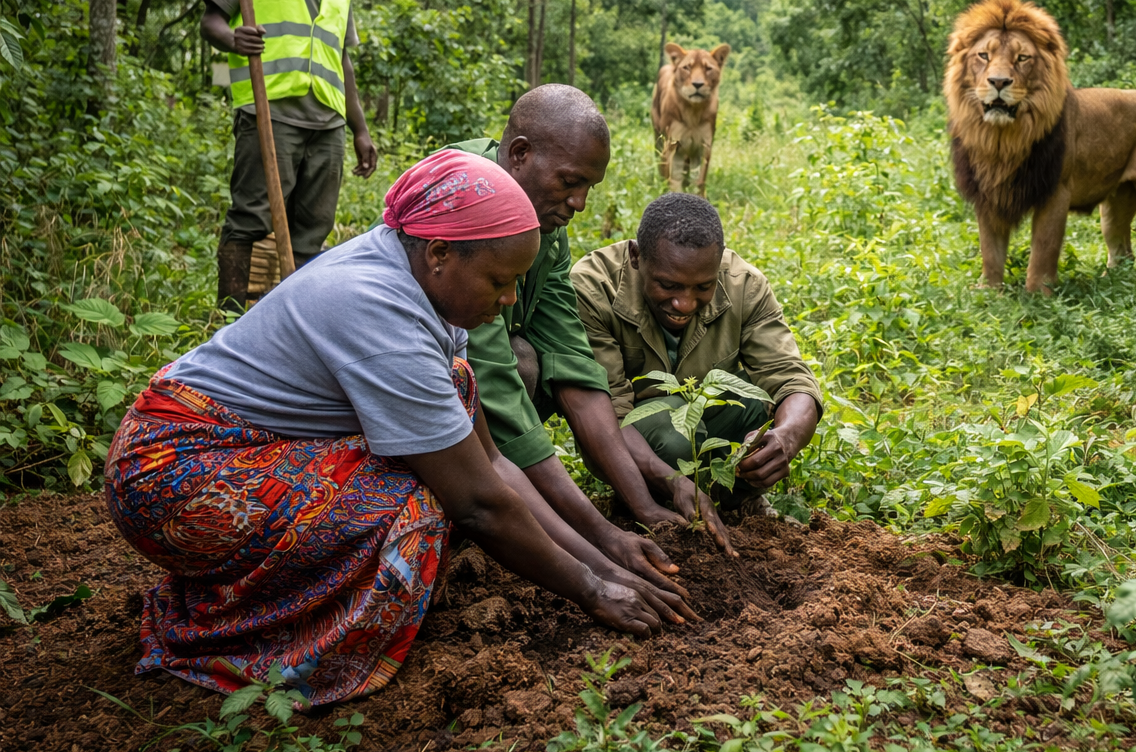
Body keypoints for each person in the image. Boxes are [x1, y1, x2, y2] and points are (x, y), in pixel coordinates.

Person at [104, 151, 690, 708]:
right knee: (410, 509)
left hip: (236, 452)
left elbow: (493, 462)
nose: (510, 299)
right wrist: (592, 591)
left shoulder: (426, 292)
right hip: (170, 472)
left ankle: (235, 598)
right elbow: (479, 504)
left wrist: (607, 558)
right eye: (499, 281)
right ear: (439, 253)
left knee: (457, 393)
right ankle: (249, 647)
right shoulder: (376, 308)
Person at [447, 86, 739, 552]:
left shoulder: (544, 225)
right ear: (519, 154)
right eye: (569, 182)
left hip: (466, 396)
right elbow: (491, 372)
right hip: (391, 401)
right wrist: (598, 535)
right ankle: (481, 501)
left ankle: (508, 494)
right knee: (517, 365)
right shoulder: (462, 200)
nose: (580, 203)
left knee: (530, 360)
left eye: (589, 187)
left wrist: (644, 503)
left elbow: (574, 363)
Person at [572, 193, 823, 530]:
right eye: (667, 285)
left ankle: (732, 503)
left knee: (756, 407)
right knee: (671, 427)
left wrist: (786, 437)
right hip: (628, 437)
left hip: (704, 420)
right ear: (636, 257)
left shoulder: (743, 285)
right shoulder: (593, 288)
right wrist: (673, 480)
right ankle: (651, 502)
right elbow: (604, 417)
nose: (685, 304)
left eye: (703, 287)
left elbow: (791, 379)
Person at [199, 0, 380, 313]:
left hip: (327, 124)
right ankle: (231, 319)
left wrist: (359, 129)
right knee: (252, 219)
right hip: (271, 111)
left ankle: (286, 322)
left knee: (311, 229)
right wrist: (232, 38)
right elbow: (211, 19)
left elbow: (342, 59)